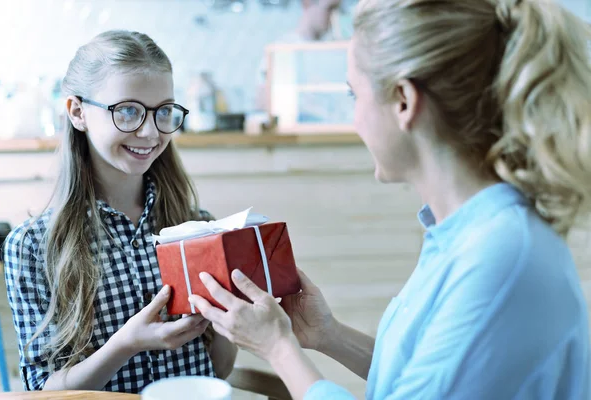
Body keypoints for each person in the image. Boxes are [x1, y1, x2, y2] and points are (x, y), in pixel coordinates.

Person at [190, 0, 591, 399]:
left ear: (403, 100)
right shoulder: (464, 233)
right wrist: (329, 335)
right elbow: (421, 378)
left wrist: (278, 347)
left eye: (354, 95)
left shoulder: (498, 256)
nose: (355, 119)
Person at [3, 30, 237, 393]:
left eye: (163, 112)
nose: (149, 131)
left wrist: (231, 321)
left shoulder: (196, 226)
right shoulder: (32, 246)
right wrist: (126, 343)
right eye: (127, 111)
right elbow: (44, 392)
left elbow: (217, 371)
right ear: (78, 112)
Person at [255, 0, 341, 111]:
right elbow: (263, 102)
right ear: (308, 3)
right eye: (330, 9)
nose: (334, 17)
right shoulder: (282, 50)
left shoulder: (331, 51)